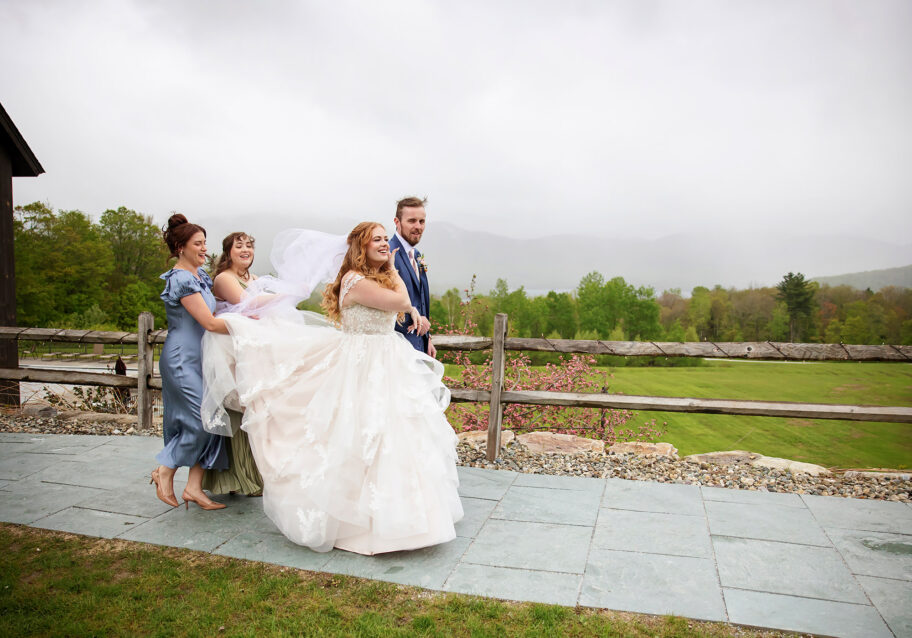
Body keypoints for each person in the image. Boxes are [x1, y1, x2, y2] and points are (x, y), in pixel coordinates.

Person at [203, 222, 463, 554]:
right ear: (361, 247)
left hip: (387, 361)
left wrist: (406, 299)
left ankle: (408, 519)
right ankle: (356, 524)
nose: (385, 244)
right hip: (362, 365)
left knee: (397, 436)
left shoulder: (372, 278)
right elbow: (400, 301)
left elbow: (400, 304)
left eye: (386, 239)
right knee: (360, 436)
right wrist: (397, 271)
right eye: (377, 240)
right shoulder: (354, 281)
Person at [151, 214, 230, 511]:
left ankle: (194, 488)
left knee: (214, 418)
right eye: (198, 244)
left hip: (204, 358)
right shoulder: (182, 278)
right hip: (182, 359)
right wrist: (245, 328)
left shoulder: (200, 277)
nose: (205, 249)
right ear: (181, 247)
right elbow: (209, 322)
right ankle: (165, 469)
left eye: (205, 243)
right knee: (201, 421)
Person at [201, 232, 264, 497]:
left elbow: (259, 312)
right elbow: (248, 305)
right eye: (239, 246)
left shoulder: (257, 279)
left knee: (252, 408)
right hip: (227, 348)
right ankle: (236, 479)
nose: (245, 250)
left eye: (249, 245)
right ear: (228, 252)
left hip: (249, 348)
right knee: (235, 408)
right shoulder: (224, 278)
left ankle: (253, 475)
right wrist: (283, 297)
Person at [389, 196, 435, 357]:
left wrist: (426, 339)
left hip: (419, 346)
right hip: (397, 348)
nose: (418, 227)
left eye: (422, 221)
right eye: (412, 221)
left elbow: (420, 300)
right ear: (397, 222)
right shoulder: (388, 254)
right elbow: (383, 301)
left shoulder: (417, 255)